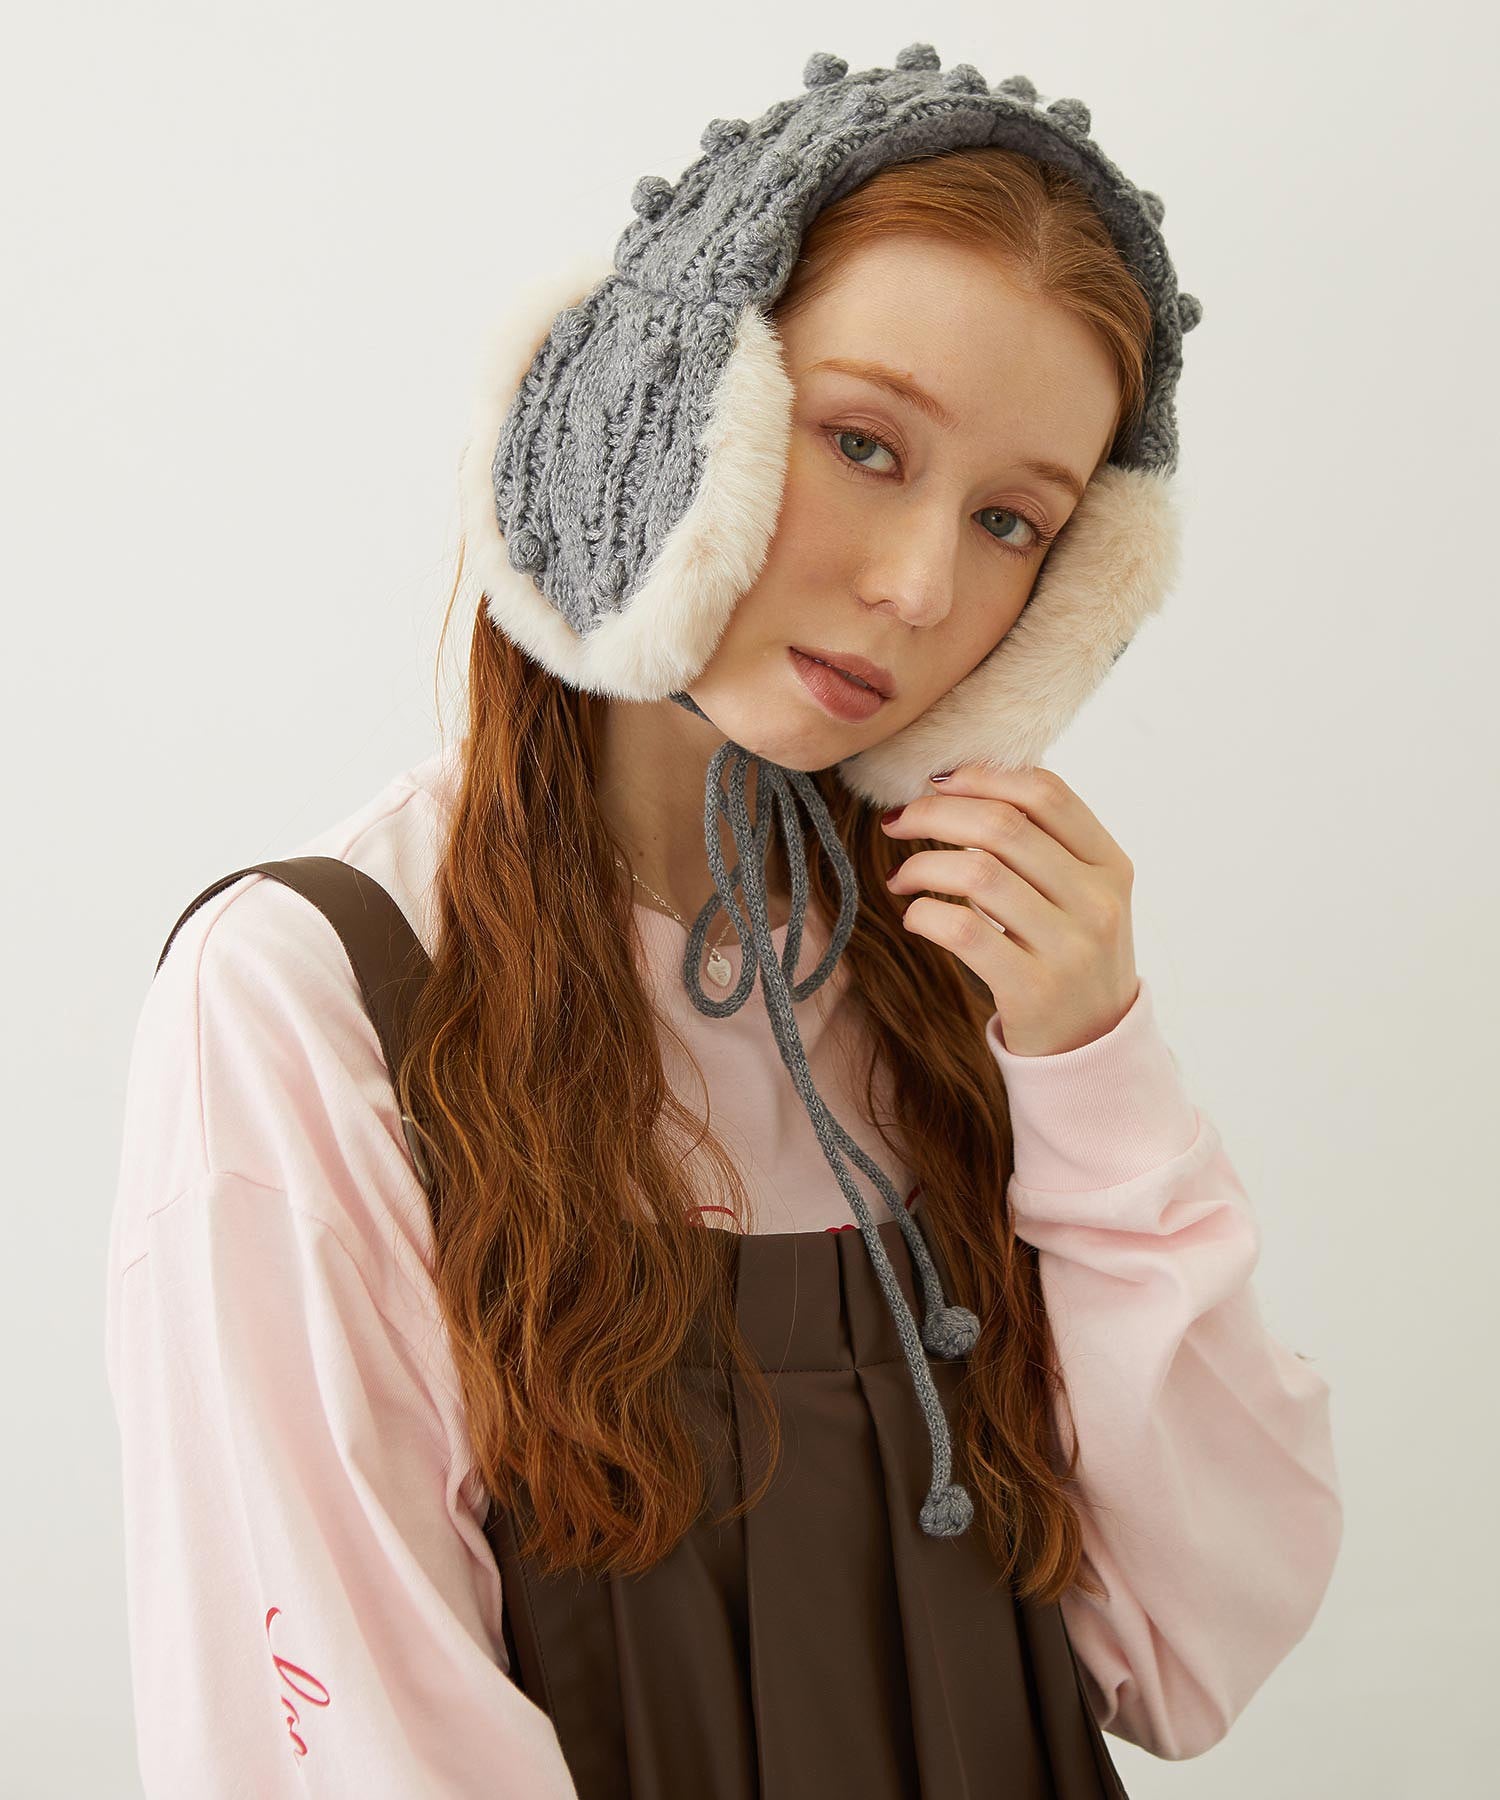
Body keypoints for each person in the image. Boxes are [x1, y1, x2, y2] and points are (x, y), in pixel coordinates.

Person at [105, 44, 1344, 1798]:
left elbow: (1191, 1645)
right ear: (676, 408)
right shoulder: (314, 992)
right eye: (863, 443)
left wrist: (1094, 1068)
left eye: (1011, 522)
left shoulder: (961, 982)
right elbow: (354, 1736)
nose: (921, 585)